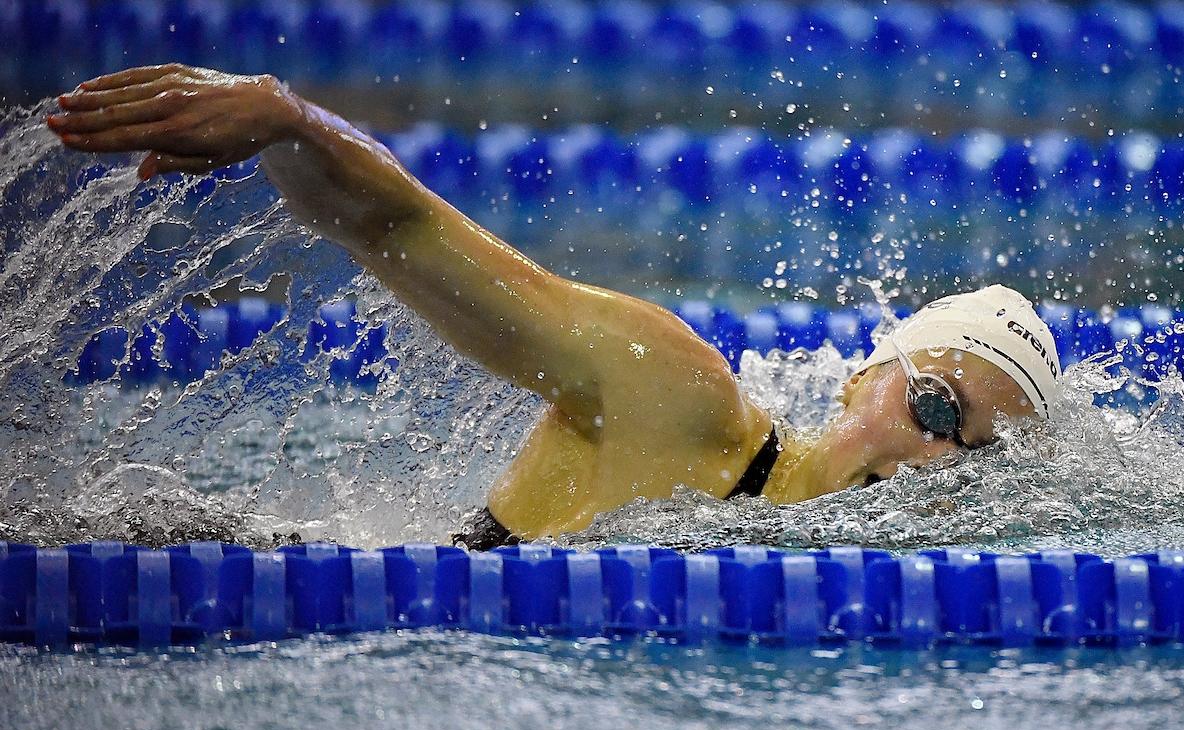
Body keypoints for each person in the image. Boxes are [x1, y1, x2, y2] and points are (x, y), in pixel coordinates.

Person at [45, 64, 1063, 549]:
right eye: (936, 407)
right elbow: (399, 231)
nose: (938, 459)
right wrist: (288, 120)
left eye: (977, 455)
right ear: (863, 376)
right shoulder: (679, 397)